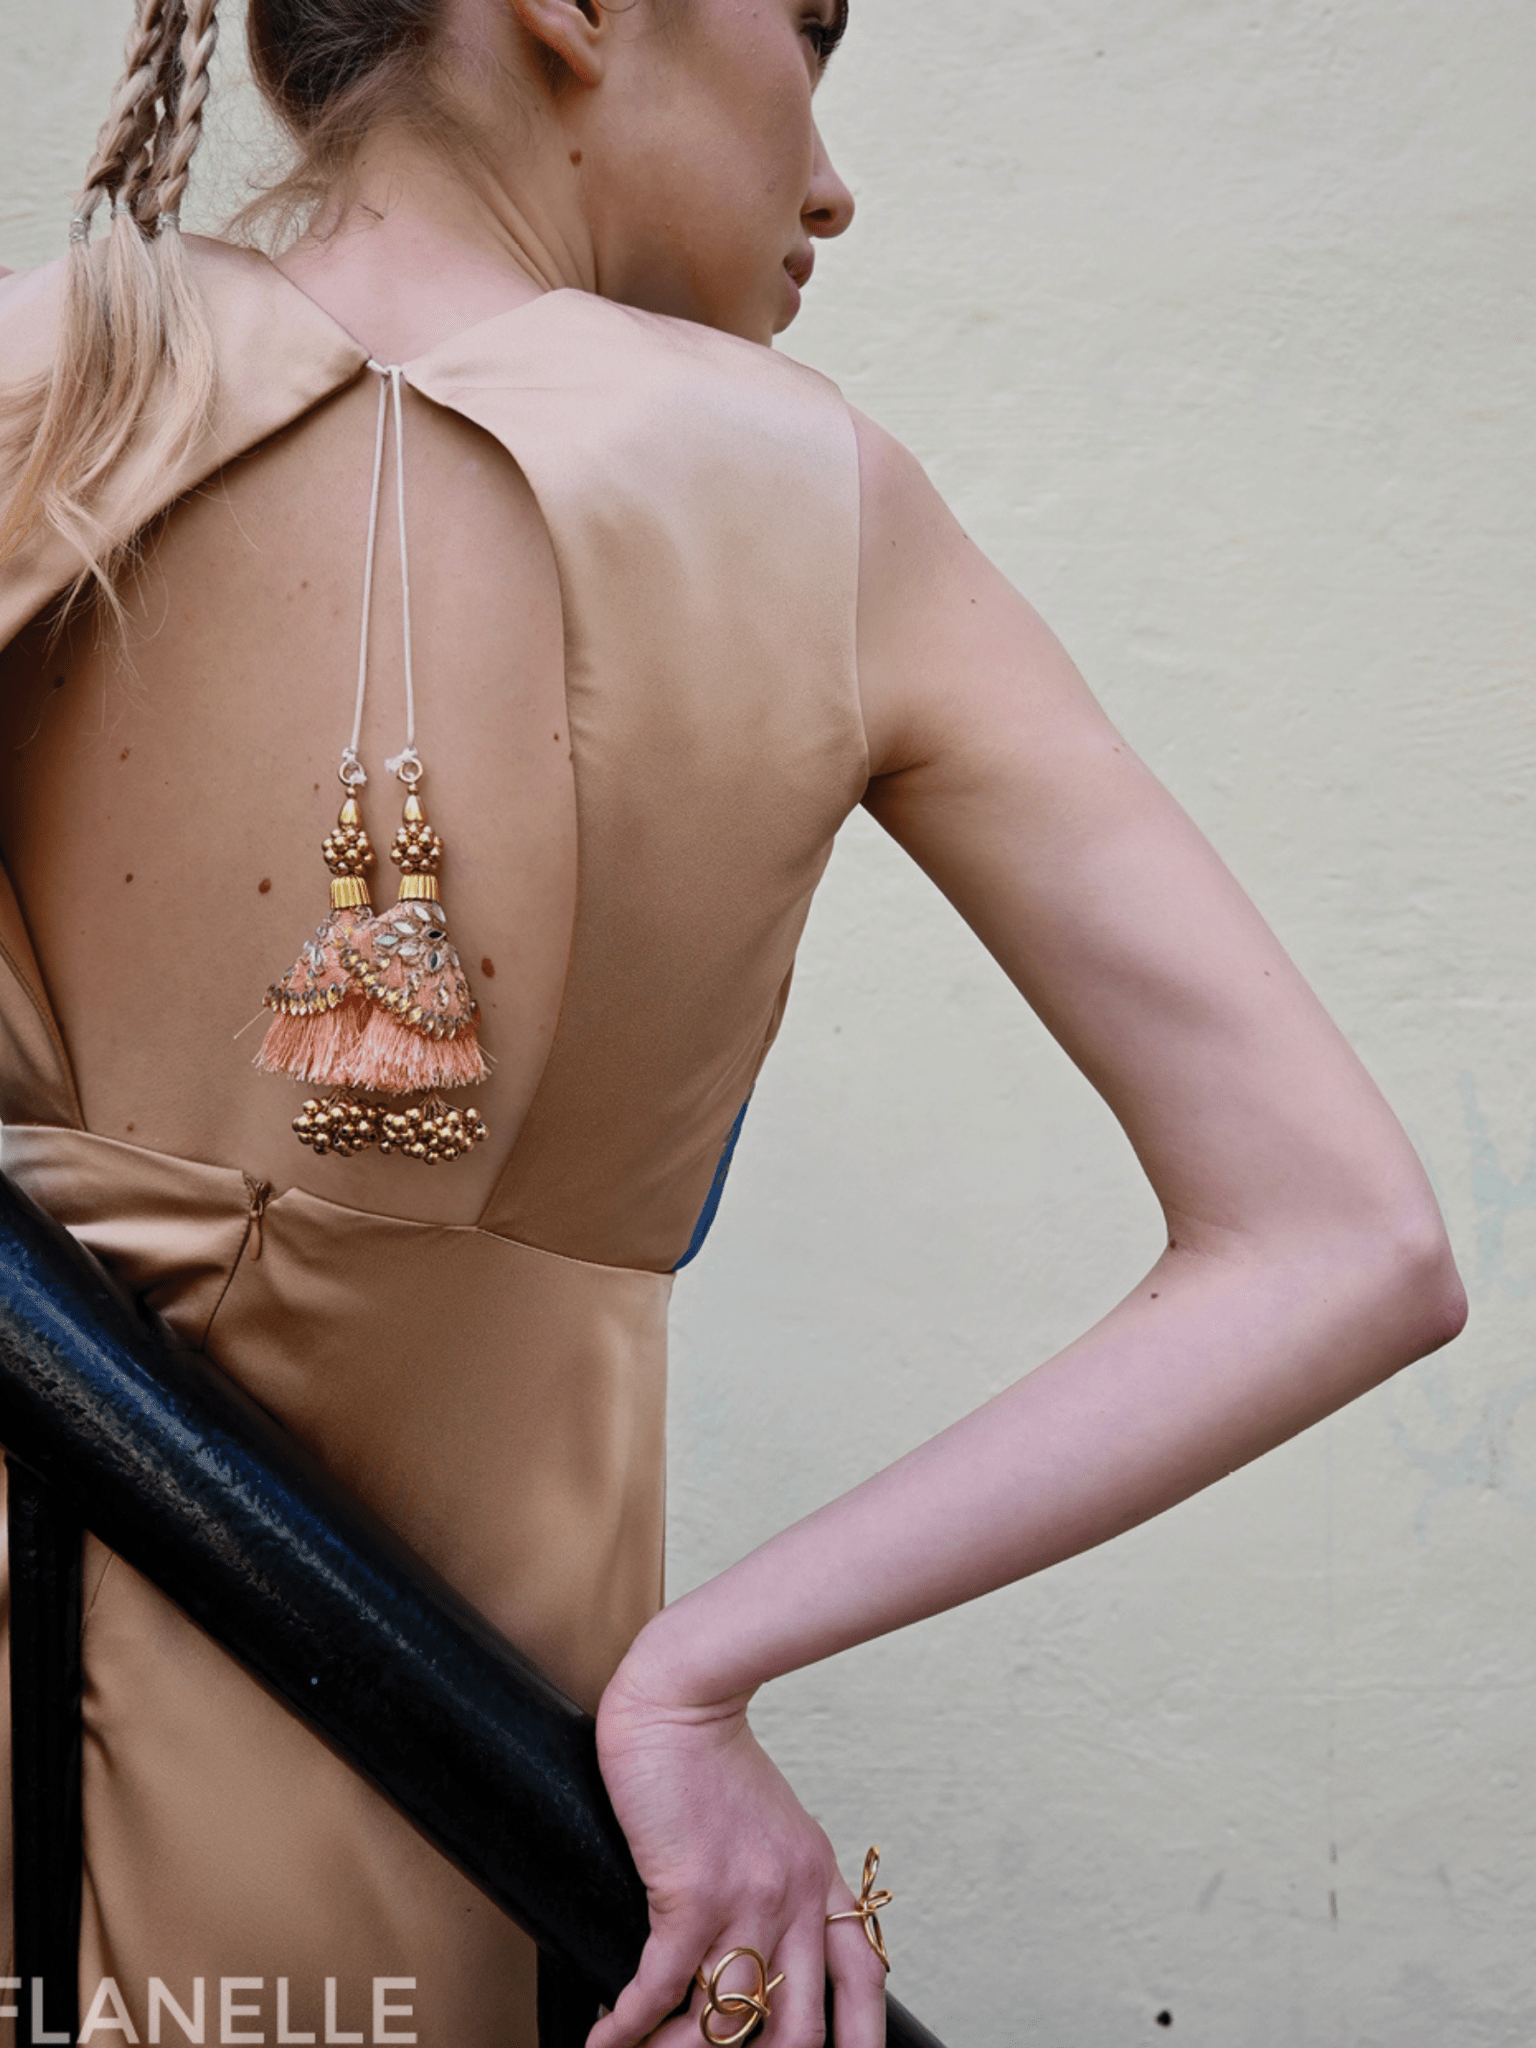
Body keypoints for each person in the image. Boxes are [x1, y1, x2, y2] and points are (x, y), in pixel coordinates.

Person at [0, 1, 1466, 2044]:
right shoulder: (821, 503)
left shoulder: (45, 382)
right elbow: (1354, 1238)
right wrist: (704, 1668)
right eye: (817, 27)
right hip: (461, 1860)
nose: (835, 175)